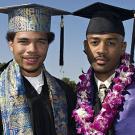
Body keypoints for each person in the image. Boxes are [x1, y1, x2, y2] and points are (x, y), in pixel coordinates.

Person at [0, 4, 76, 135]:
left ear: (47, 44)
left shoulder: (65, 92)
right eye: (24, 42)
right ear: (11, 44)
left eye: (41, 42)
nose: (32, 50)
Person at [72, 2, 135, 135]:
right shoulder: (72, 98)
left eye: (111, 43)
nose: (101, 50)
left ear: (122, 47)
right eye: (94, 42)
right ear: (85, 46)